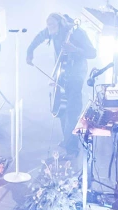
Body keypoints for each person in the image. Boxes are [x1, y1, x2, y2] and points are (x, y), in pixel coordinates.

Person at [27, 13, 96, 154]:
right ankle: (67, 141)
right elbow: (39, 37)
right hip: (62, 73)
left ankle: (73, 148)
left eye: (52, 25)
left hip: (77, 73)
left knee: (72, 110)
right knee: (61, 108)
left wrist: (75, 49)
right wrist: (30, 51)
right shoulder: (52, 30)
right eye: (48, 25)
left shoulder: (77, 32)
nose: (49, 28)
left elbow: (92, 53)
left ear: (61, 23)